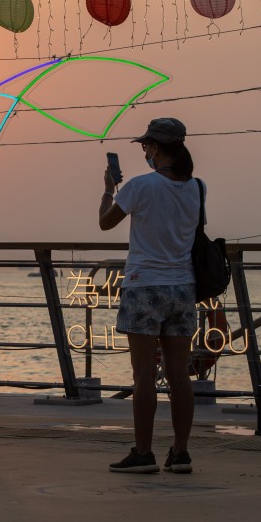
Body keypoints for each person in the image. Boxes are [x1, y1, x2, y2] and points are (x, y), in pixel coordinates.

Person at [99, 117, 200, 474]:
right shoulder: (196, 187)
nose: (144, 151)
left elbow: (105, 222)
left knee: (143, 374)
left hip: (144, 285)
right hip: (183, 287)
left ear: (155, 147)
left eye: (145, 146)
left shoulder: (140, 186)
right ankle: (181, 452)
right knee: (179, 375)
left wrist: (108, 190)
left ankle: (143, 452)